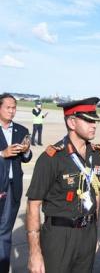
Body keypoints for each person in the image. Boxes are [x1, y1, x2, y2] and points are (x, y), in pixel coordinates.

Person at [26, 97, 100, 273]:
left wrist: (94, 233)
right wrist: (34, 253)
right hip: (59, 235)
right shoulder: (51, 158)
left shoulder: (96, 154)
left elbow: (97, 195)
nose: (94, 125)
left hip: (87, 233)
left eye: (95, 120)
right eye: (88, 120)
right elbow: (33, 205)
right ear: (71, 122)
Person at [0, 93, 32, 272]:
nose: (12, 111)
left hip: (13, 187)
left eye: (14, 108)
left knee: (5, 232)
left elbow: (27, 158)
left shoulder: (21, 130)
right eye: (8, 107)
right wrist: (2, 154)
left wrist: (26, 151)